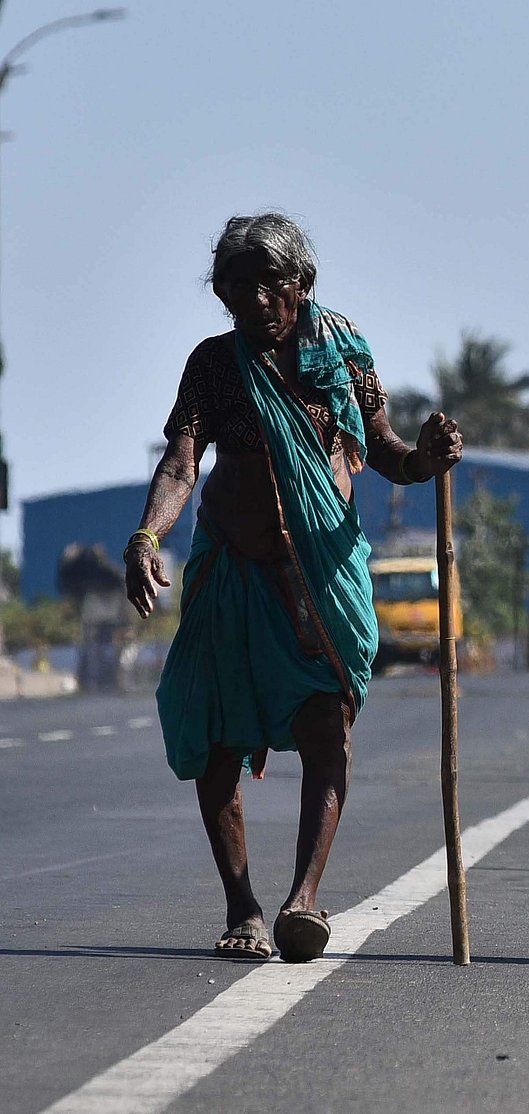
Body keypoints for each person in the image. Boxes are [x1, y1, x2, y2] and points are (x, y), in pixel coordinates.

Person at [125, 213, 463, 963]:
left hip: (322, 578)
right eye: (235, 290)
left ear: (301, 284)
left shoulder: (345, 352)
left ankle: (303, 900)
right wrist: (148, 537)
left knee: (325, 732)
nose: (252, 304)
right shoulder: (214, 365)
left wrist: (429, 459)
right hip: (233, 574)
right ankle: (242, 908)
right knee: (216, 741)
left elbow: (385, 452)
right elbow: (181, 463)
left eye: (267, 287)